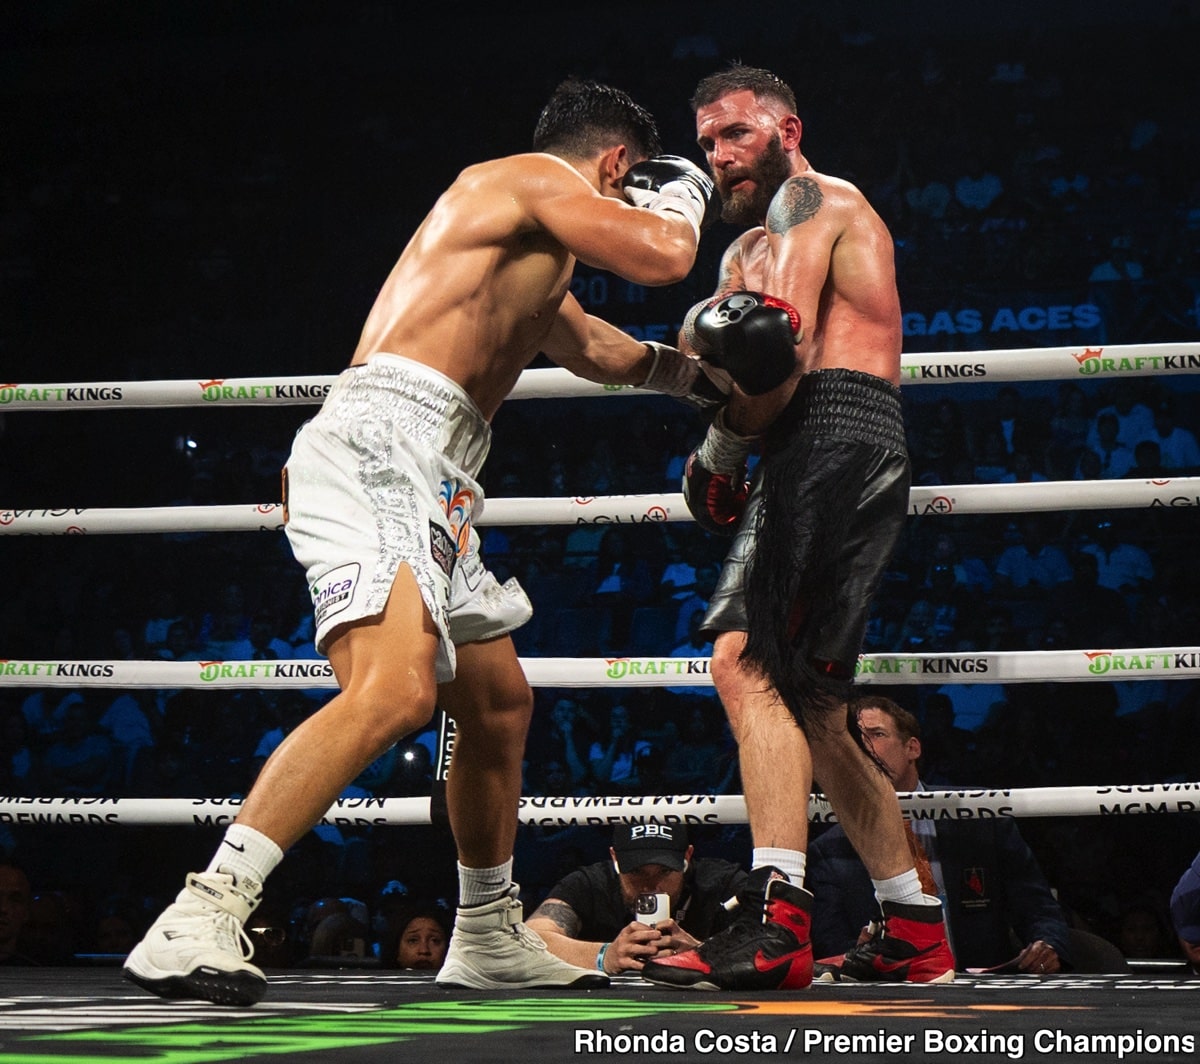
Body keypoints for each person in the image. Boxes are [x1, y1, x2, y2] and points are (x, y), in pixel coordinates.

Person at [124, 76, 723, 1006]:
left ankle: (486, 934)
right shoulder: (524, 178)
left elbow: (597, 350)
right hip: (385, 442)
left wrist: (704, 384)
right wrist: (684, 192)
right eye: (634, 184)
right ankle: (201, 911)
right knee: (396, 689)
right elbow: (661, 257)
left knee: (497, 704)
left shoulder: (533, 253)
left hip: (440, 474)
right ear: (617, 166)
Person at [641, 65, 954, 993]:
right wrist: (722, 419)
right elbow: (725, 363)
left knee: (742, 663)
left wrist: (720, 446)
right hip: (815, 448)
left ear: (788, 131)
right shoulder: (747, 247)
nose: (718, 155)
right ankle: (914, 926)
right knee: (814, 704)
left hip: (830, 432)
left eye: (735, 133)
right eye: (706, 142)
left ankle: (778, 918)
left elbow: (771, 348)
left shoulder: (814, 202)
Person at [806, 695, 1072, 976]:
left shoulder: (980, 817)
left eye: (876, 734)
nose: (864, 747)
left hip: (984, 988)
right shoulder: (830, 848)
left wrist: (1048, 946)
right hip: (893, 991)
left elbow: (1037, 906)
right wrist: (858, 954)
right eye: (856, 740)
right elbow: (830, 947)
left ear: (912, 748)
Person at [525, 822, 747, 975]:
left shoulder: (721, 883)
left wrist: (703, 953)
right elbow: (530, 939)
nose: (651, 886)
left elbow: (767, 941)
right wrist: (605, 955)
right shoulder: (591, 884)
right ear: (615, 858)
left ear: (687, 857)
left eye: (665, 871)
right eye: (636, 871)